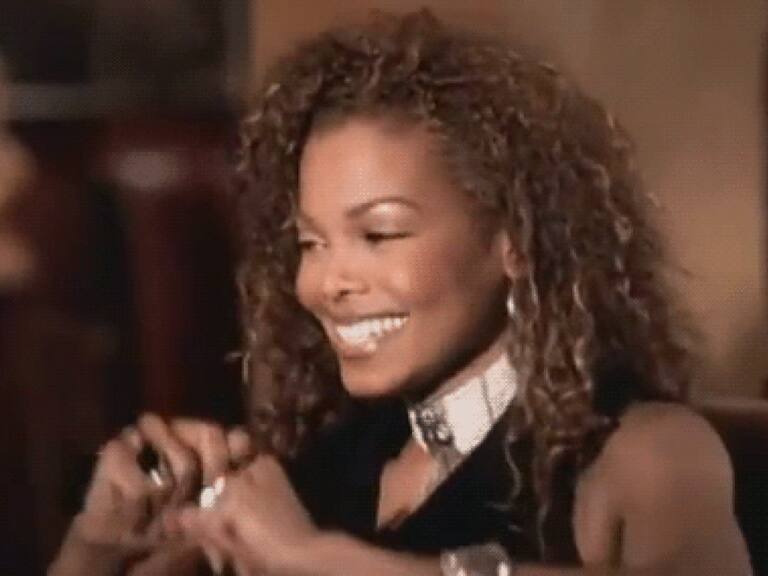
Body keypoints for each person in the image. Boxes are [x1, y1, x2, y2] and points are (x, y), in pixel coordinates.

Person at [49, 10, 752, 576]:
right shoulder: (323, 467)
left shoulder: (644, 455)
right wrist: (97, 548)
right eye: (310, 243)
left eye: (379, 234)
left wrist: (322, 561)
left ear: (514, 239)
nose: (328, 283)